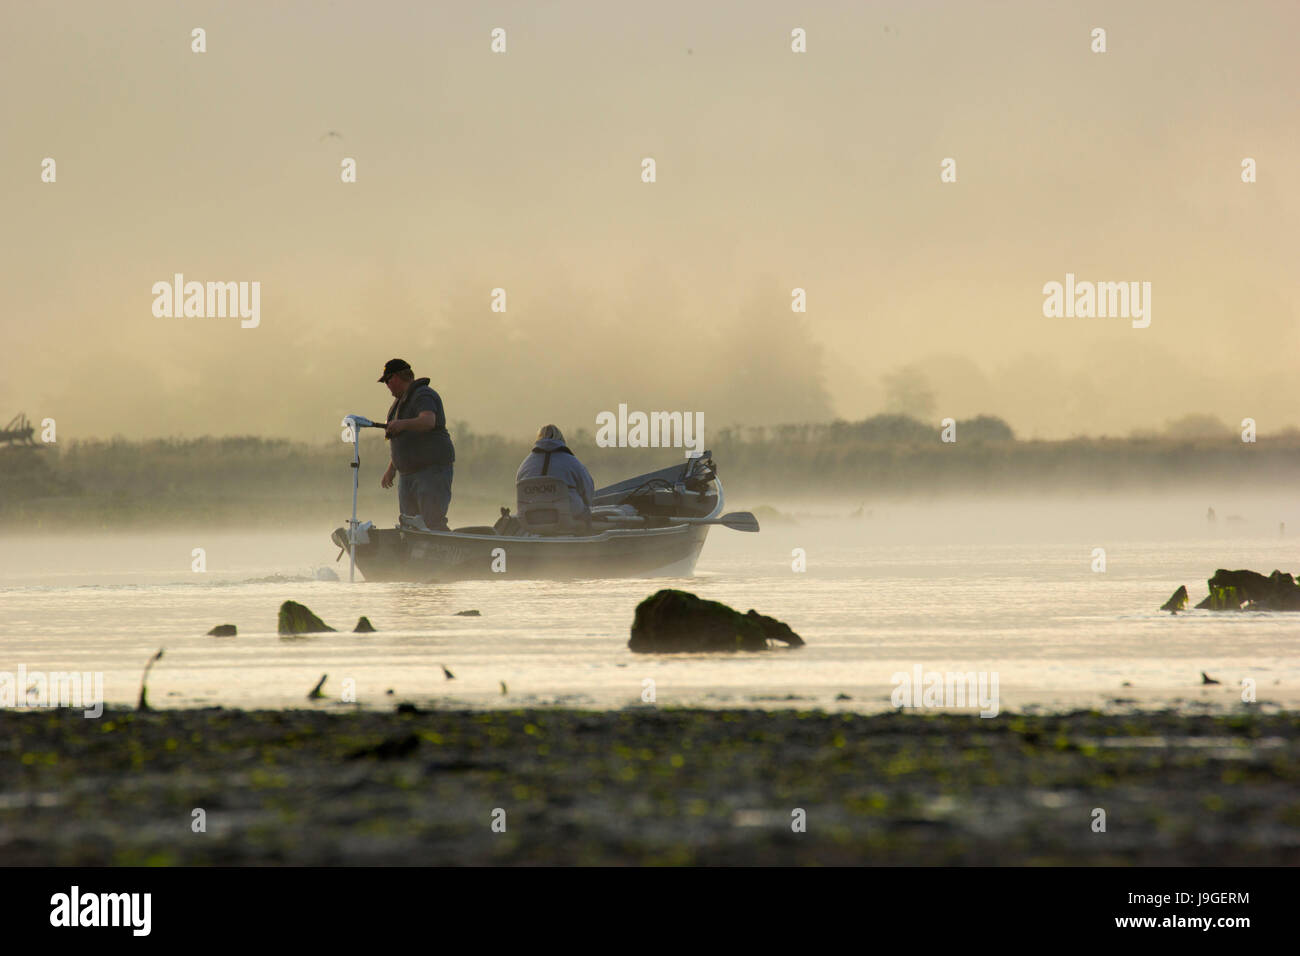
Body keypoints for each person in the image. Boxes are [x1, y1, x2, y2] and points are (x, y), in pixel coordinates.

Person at [377, 358, 455, 531]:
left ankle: (446, 554)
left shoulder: (423, 394)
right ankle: (414, 557)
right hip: (407, 475)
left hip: (431, 471)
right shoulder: (398, 404)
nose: (387, 386)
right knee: (411, 526)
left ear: (396, 377)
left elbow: (428, 421)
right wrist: (392, 469)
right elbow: (402, 439)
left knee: (431, 522)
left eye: (387, 381)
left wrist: (401, 424)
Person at [515, 425, 595, 525]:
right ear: (561, 439)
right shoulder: (572, 461)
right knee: (588, 514)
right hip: (568, 515)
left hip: (530, 517)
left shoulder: (525, 464)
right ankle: (585, 538)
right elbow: (588, 491)